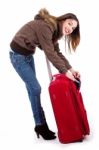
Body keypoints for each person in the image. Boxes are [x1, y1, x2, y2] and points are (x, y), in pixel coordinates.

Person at [9, 8, 80, 140]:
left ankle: (40, 125)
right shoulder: (46, 27)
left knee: (32, 90)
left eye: (73, 28)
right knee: (36, 89)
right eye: (70, 23)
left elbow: (57, 52)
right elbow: (50, 53)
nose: (70, 28)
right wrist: (64, 72)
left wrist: (71, 69)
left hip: (27, 55)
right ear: (63, 19)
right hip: (17, 56)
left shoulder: (54, 31)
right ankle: (41, 125)